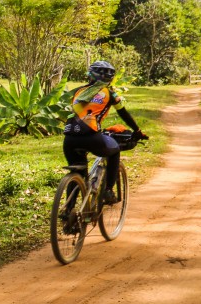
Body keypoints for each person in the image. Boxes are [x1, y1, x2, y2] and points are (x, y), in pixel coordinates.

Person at [62, 61, 148, 204]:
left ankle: (68, 212)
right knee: (114, 151)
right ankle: (108, 190)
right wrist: (137, 130)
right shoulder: (110, 94)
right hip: (91, 136)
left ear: (90, 75)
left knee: (78, 173)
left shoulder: (79, 91)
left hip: (69, 138)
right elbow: (123, 113)